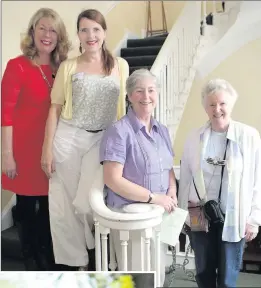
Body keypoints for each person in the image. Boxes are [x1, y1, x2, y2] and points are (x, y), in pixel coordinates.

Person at [41, 9, 129, 271]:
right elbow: (55, 108)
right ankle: (77, 263)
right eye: (84, 30)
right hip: (68, 137)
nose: (90, 35)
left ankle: (91, 246)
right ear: (78, 34)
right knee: (63, 204)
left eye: (96, 30)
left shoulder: (120, 65)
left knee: (86, 202)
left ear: (104, 33)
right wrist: (47, 151)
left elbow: (126, 107)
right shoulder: (69, 66)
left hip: (101, 139)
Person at [1, 8, 70, 270]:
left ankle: (49, 264)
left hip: (53, 151)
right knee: (28, 214)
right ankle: (32, 266)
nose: (47, 35)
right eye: (42, 28)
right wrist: (7, 155)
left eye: (53, 30)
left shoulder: (63, 67)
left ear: (59, 36)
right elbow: (5, 114)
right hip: (25, 154)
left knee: (51, 214)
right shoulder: (17, 65)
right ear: (33, 31)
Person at [178, 79, 261, 288]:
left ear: (231, 104)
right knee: (204, 273)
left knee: (227, 278)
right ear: (205, 107)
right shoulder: (194, 136)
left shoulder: (249, 136)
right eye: (211, 104)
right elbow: (186, 176)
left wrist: (254, 218)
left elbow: (258, 178)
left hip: (234, 216)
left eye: (222, 103)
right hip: (199, 215)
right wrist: (182, 214)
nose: (217, 109)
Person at [100, 69, 178, 286]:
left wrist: (171, 190)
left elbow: (169, 167)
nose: (146, 96)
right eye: (139, 91)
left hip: (157, 213)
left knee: (156, 274)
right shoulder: (118, 131)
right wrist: (154, 197)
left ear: (157, 94)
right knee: (135, 278)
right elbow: (112, 179)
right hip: (130, 217)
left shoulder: (161, 130)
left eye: (151, 90)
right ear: (129, 96)